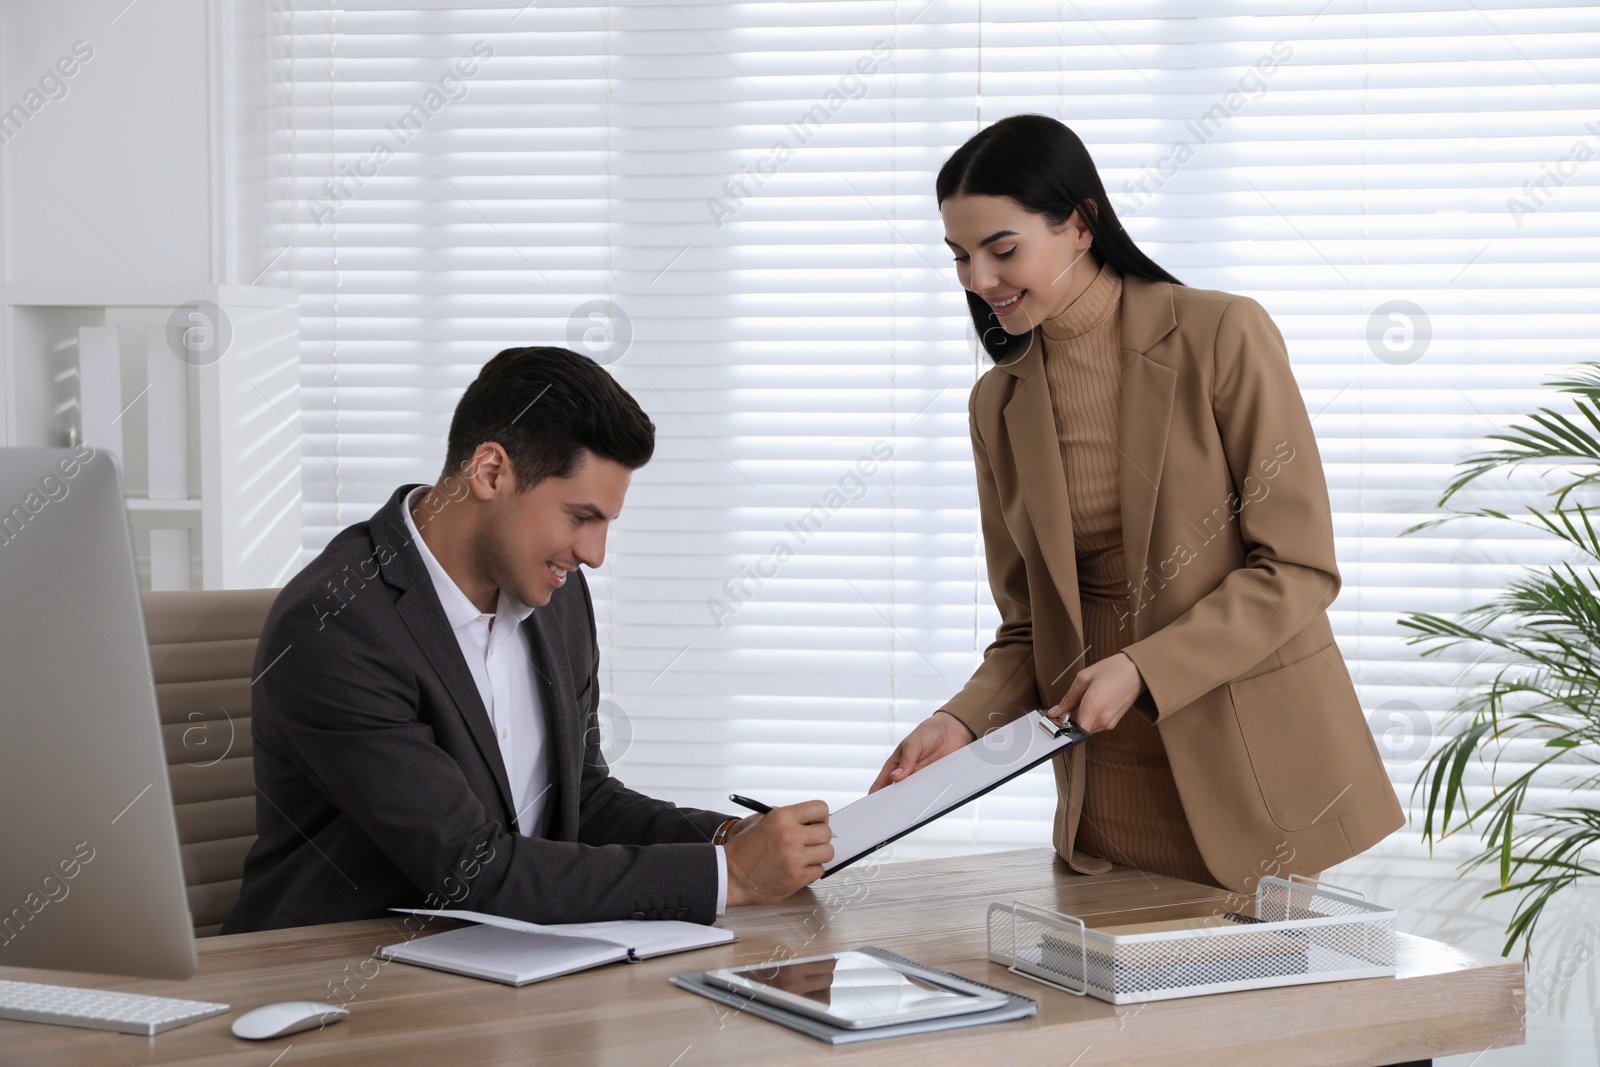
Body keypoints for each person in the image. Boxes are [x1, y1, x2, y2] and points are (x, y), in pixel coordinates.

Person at [870, 115, 1402, 894]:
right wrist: (963, 721)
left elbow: (1296, 567)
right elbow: (1029, 627)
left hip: (1248, 779)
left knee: (1254, 1014)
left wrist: (1145, 669)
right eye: (958, 255)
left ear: (1080, 225)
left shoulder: (1221, 334)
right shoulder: (997, 405)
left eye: (1002, 250)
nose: (977, 280)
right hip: (1104, 797)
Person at [224, 346, 831, 932]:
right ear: (491, 472)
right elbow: (470, 867)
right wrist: (729, 878)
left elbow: (582, 801)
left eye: (605, 524)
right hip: (335, 975)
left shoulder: (552, 593)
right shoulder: (338, 625)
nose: (594, 555)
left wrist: (733, 841)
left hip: (501, 959)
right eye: (581, 517)